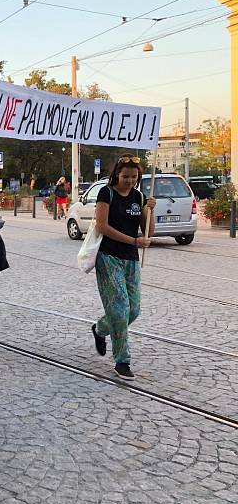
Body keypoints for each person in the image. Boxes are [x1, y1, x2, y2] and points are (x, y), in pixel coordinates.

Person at [91, 154, 155, 380]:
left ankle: (100, 328)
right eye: (125, 176)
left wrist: (149, 210)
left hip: (131, 259)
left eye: (133, 177)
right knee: (119, 309)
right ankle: (122, 360)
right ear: (117, 174)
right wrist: (133, 241)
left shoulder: (138, 196)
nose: (129, 180)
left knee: (133, 309)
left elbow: (149, 231)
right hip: (109, 256)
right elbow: (102, 227)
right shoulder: (106, 193)